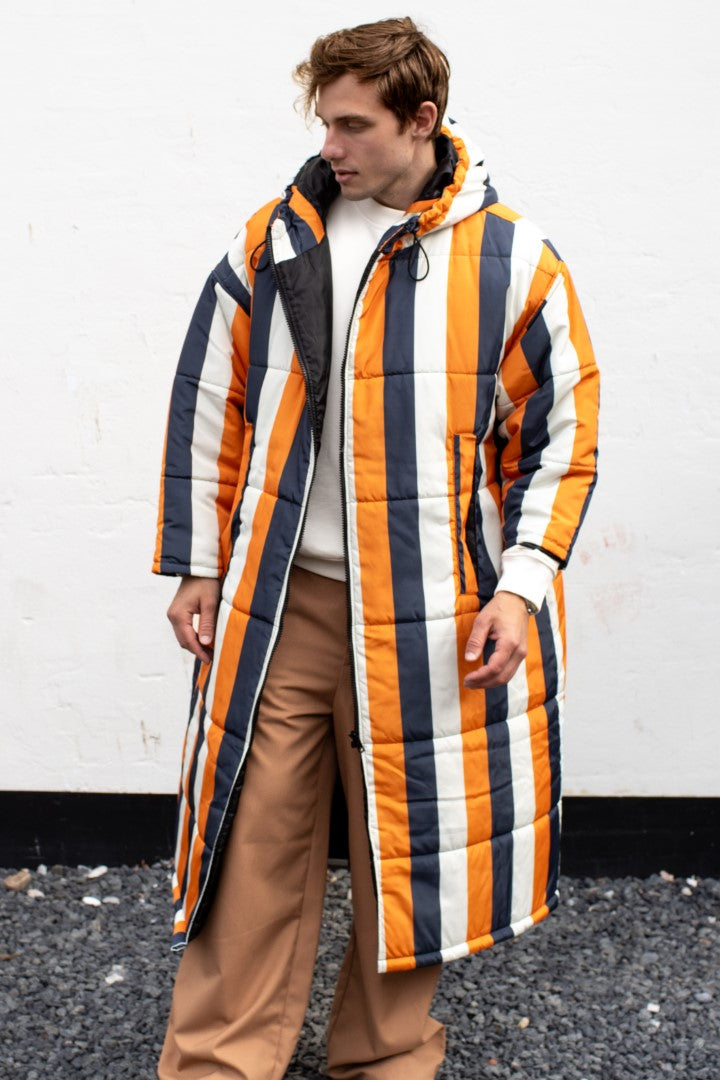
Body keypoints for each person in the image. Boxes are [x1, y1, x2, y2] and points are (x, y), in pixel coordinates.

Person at [153, 16, 599, 1079]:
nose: (331, 145)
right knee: (250, 837)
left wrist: (521, 588)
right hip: (282, 604)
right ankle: (218, 1062)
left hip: (435, 613)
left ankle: (385, 1060)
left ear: (421, 120)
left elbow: (560, 440)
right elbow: (212, 400)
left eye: (353, 124)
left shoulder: (515, 263)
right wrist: (200, 563)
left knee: (412, 847)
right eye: (325, 122)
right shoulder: (277, 239)